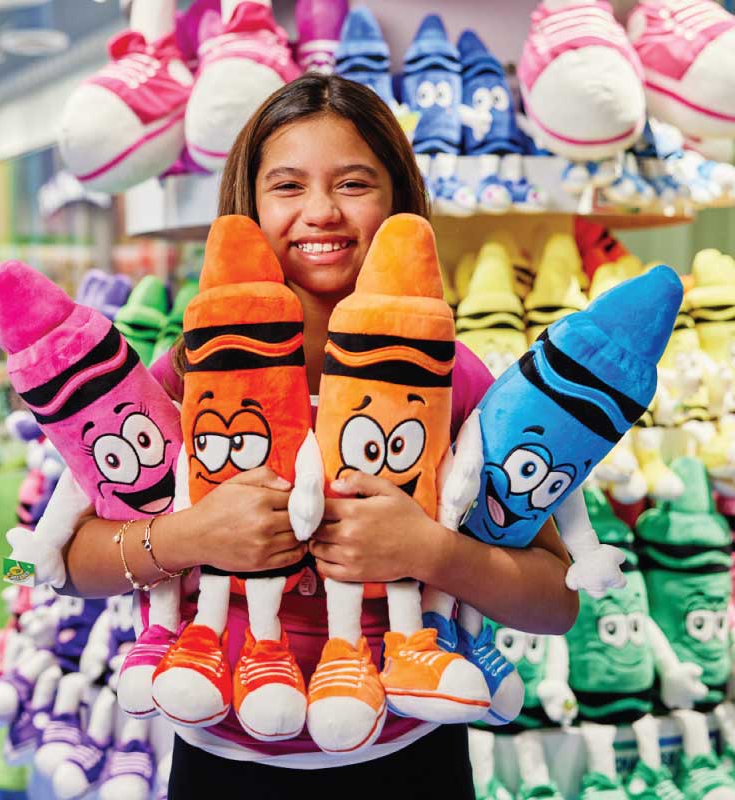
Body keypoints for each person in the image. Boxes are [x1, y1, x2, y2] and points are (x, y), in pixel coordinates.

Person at [60, 74, 578, 798]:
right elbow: (48, 567)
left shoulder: (446, 374)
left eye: (354, 183)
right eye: (288, 186)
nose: (321, 213)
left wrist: (431, 551)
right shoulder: (190, 369)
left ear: (398, 201)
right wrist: (189, 536)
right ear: (249, 205)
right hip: (223, 762)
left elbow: (558, 600)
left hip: (408, 757)